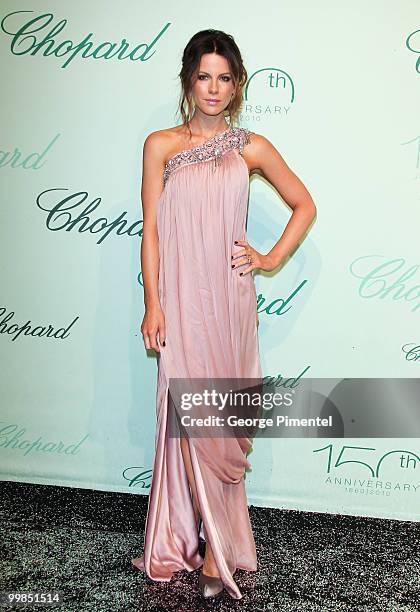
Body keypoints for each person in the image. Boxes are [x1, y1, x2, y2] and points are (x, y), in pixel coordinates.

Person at [131, 29, 316, 600]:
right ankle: (202, 538)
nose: (214, 88)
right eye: (204, 76)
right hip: (182, 302)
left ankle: (219, 550)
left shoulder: (251, 147)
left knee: (221, 420)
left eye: (225, 77)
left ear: (237, 85)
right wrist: (153, 304)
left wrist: (269, 257)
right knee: (189, 420)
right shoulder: (160, 144)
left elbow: (305, 204)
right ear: (189, 81)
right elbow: (152, 233)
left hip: (231, 300)